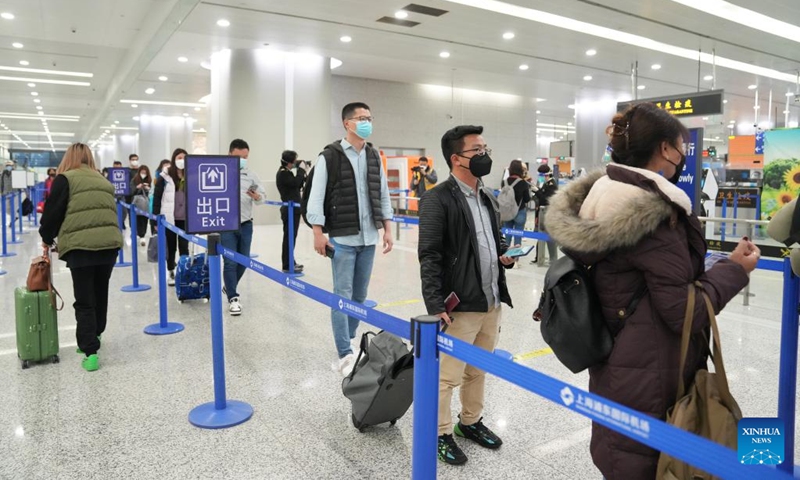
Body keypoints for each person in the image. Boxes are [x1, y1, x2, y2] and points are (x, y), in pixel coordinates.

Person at [545, 102, 757, 480]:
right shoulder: (653, 215)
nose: (682, 157)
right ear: (664, 149)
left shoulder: (600, 199)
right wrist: (734, 270)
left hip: (617, 365)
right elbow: (682, 310)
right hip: (654, 374)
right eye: (681, 148)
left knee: (621, 454)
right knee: (647, 461)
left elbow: (634, 279)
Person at [418, 125, 515, 466]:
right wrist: (435, 304)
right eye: (478, 151)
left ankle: (469, 422)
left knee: (478, 369)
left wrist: (504, 255)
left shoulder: (486, 195)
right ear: (456, 159)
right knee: (447, 376)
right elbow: (429, 254)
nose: (485, 156)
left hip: (491, 299)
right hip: (460, 304)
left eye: (485, 149)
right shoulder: (437, 198)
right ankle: (441, 432)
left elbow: (492, 239)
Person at [306, 102, 394, 376]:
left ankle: (350, 337)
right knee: (341, 296)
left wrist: (388, 228)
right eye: (361, 118)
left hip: (368, 237)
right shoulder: (329, 156)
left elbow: (382, 194)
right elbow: (316, 196)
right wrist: (318, 233)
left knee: (359, 296)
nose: (367, 122)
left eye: (370, 117)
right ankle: (344, 351)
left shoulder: (372, 155)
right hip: (343, 238)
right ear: (347, 123)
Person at [39, 143, 123, 372]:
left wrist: (46, 237)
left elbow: (52, 213)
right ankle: (96, 334)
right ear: (89, 158)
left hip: (81, 248)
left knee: (84, 299)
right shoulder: (103, 180)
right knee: (100, 292)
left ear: (69, 157)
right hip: (109, 245)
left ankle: (90, 351)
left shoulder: (65, 179)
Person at [221, 139, 265, 316]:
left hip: (246, 224)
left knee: (244, 260)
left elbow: (262, 198)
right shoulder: (220, 172)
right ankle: (233, 297)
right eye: (239, 157)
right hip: (226, 224)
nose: (243, 160)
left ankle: (228, 286)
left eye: (245, 157)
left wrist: (256, 196)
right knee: (230, 261)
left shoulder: (251, 175)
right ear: (230, 154)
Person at [152, 148, 189, 286]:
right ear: (174, 159)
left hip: (185, 218)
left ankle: (185, 271)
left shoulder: (191, 175)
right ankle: (171, 270)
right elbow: (156, 199)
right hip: (169, 218)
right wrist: (155, 219)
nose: (182, 160)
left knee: (184, 246)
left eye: (184, 157)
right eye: (179, 157)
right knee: (171, 246)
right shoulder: (165, 177)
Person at [276, 150, 308, 273]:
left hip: (293, 209)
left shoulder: (287, 172)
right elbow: (295, 183)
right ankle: (287, 264)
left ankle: (290, 261)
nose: (296, 163)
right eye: (294, 161)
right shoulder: (283, 174)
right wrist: (301, 170)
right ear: (289, 163)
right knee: (289, 237)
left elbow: (297, 185)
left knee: (291, 237)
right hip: (289, 210)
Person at [500, 160, 531, 248]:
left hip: (507, 212)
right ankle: (515, 258)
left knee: (507, 236)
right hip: (519, 211)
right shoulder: (523, 183)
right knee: (518, 236)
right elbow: (527, 199)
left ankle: (506, 256)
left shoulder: (504, 182)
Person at [533, 171, 558, 265]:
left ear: (547, 175)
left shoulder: (552, 185)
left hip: (547, 212)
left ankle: (553, 259)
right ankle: (538, 257)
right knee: (540, 235)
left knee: (549, 237)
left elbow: (545, 199)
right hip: (541, 212)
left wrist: (537, 191)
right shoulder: (546, 184)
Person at [131, 164, 152, 246]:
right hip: (137, 203)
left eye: (145, 173)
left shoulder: (149, 180)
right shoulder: (134, 180)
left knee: (145, 219)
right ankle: (141, 235)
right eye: (142, 172)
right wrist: (137, 188)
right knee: (139, 219)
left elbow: (151, 192)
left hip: (146, 203)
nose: (144, 174)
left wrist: (148, 189)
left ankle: (142, 234)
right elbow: (131, 192)